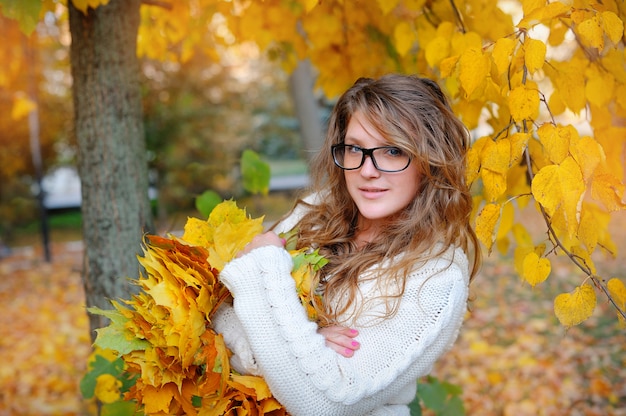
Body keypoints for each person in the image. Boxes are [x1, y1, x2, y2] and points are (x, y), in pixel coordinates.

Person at [213, 74, 481, 415]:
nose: (367, 170)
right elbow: (216, 310)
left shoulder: (436, 278)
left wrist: (264, 283)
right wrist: (307, 345)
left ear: (430, 161)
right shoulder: (315, 213)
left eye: (393, 150)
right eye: (355, 148)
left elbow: (324, 402)